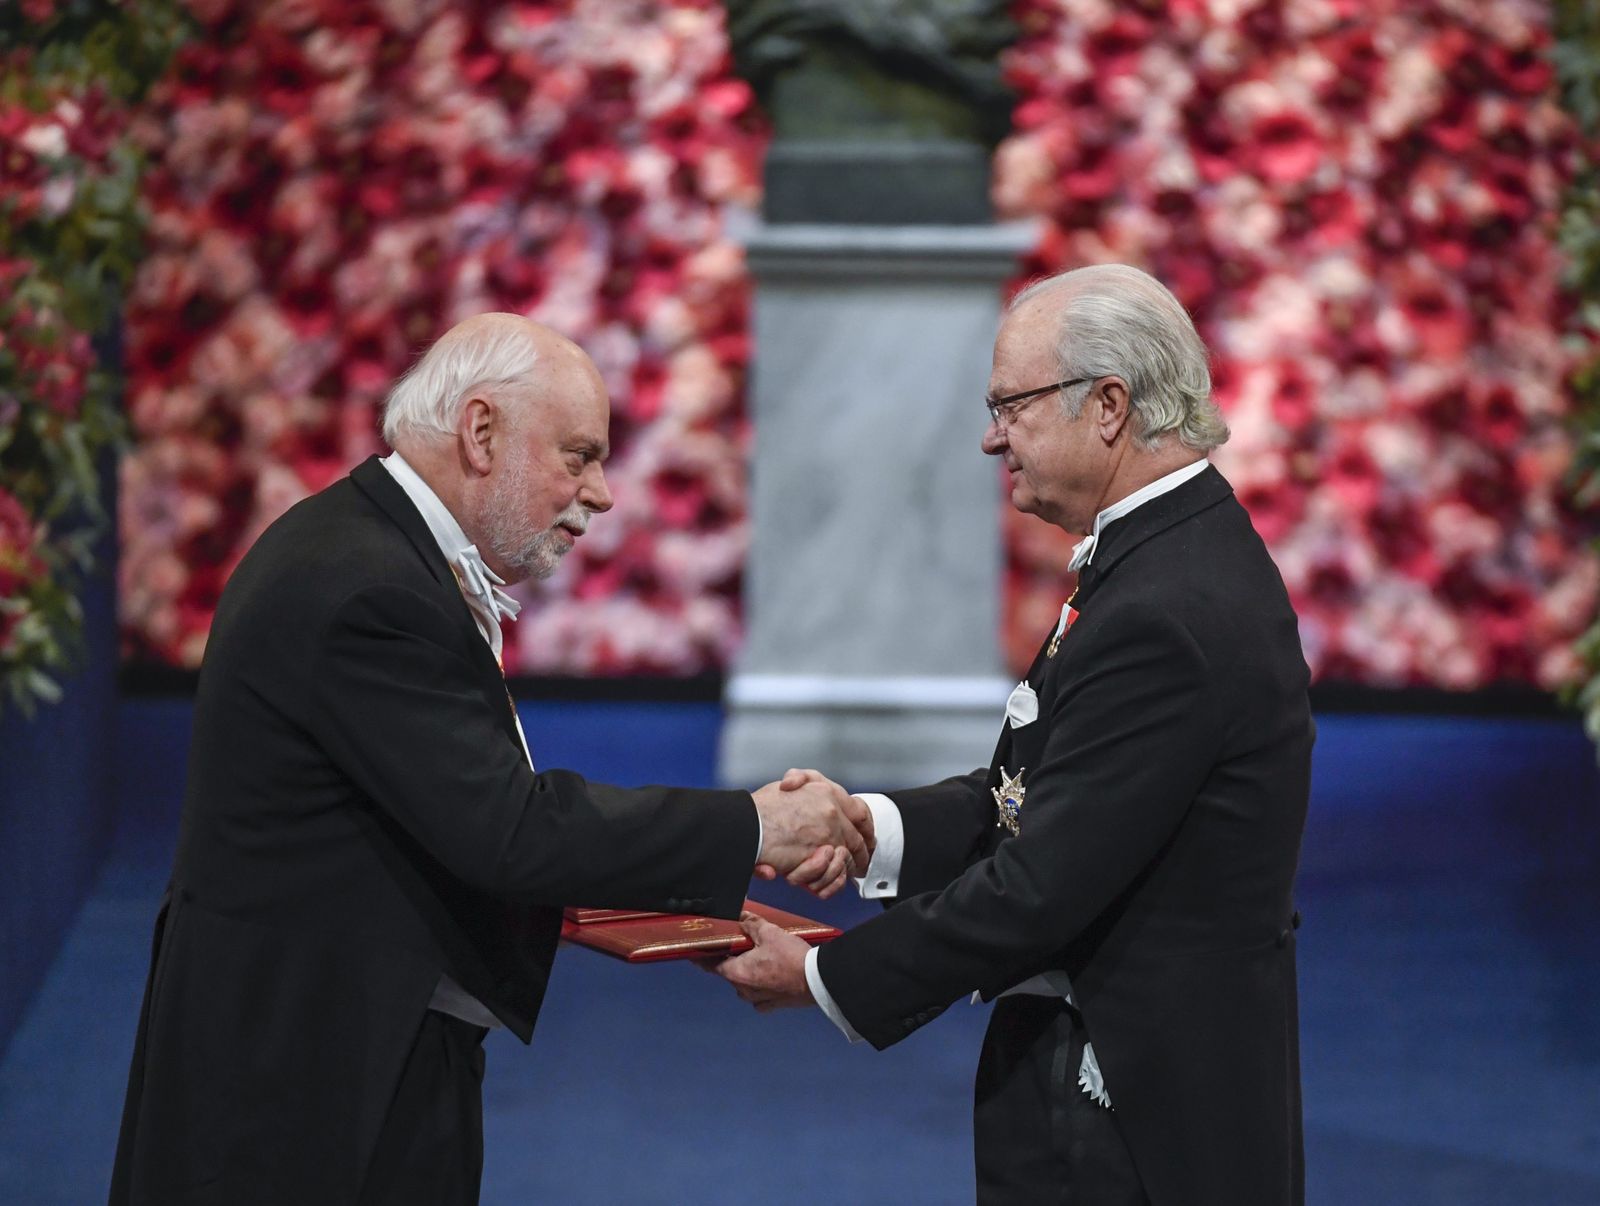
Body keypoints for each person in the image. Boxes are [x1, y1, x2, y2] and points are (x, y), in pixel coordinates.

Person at [109, 314, 871, 1206]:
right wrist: (758, 826)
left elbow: (457, 823)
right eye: (580, 456)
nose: (603, 493)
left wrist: (683, 905)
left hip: (335, 1044)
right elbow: (509, 831)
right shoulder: (370, 590)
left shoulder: (369, 549)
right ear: (481, 433)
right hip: (304, 1087)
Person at [718, 264, 1313, 1206]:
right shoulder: (1165, 555)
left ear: (1109, 405)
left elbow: (1042, 886)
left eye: (1012, 407)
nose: (992, 439)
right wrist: (871, 828)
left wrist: (828, 975)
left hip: (1134, 1119)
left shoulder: (1167, 603)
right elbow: (1046, 791)